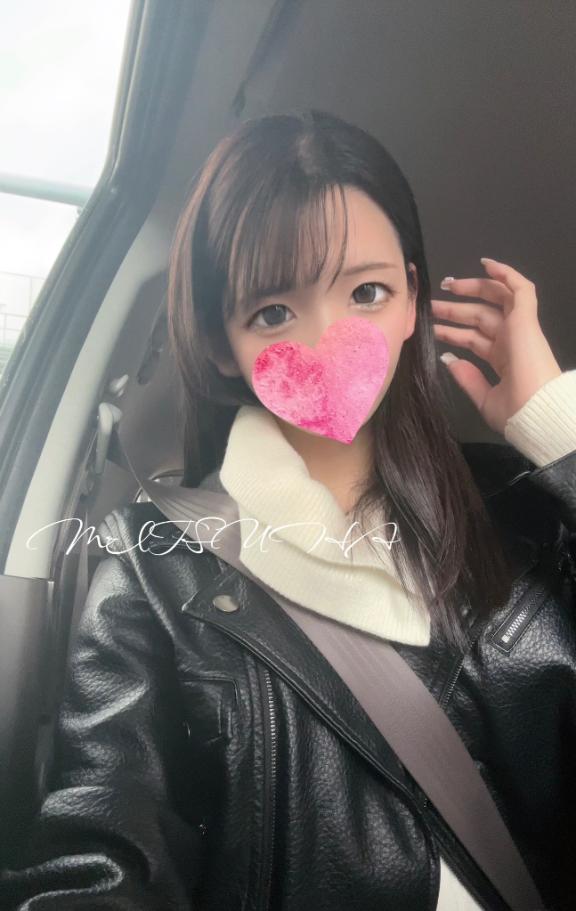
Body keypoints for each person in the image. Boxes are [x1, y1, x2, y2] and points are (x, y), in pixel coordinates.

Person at [1, 109, 576, 910]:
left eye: (367, 291)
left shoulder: (525, 509)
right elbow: (101, 853)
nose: (328, 340)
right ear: (220, 342)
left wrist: (557, 427)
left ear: (413, 297)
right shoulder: (153, 565)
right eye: (273, 311)